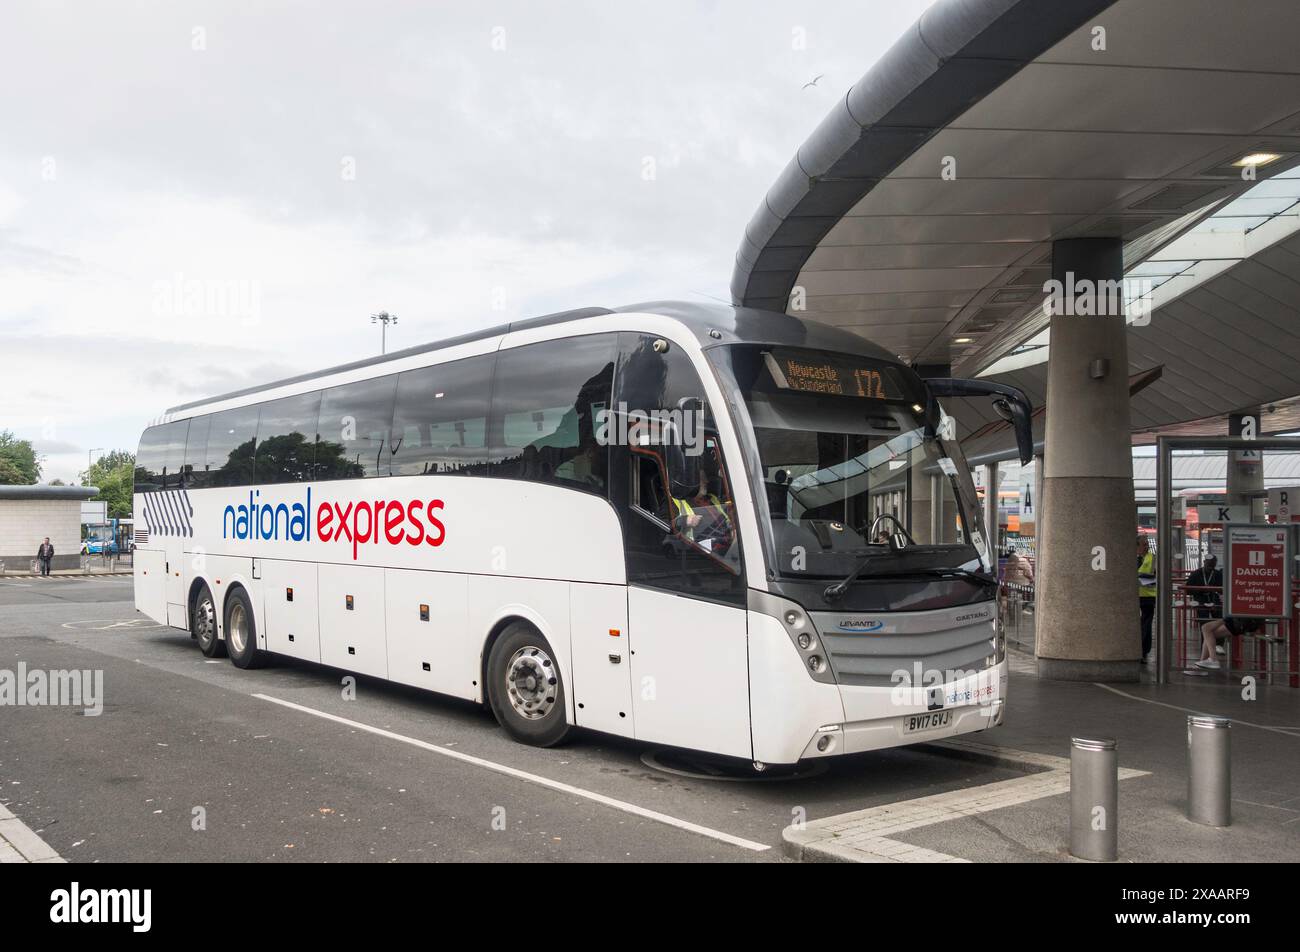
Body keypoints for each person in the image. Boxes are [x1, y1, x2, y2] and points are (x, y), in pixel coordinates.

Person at [1194, 615, 1261, 670]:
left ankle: (1213, 659)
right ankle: (1201, 667)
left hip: (1238, 620)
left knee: (1205, 628)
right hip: (1240, 620)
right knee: (1209, 634)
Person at [1137, 535, 1157, 662]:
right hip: (1134, 595)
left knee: (1146, 625)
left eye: (1147, 544)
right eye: (1144, 544)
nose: (1147, 546)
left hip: (1148, 596)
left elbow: (1154, 574)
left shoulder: (1152, 557)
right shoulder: (1131, 558)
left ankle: (1143, 652)